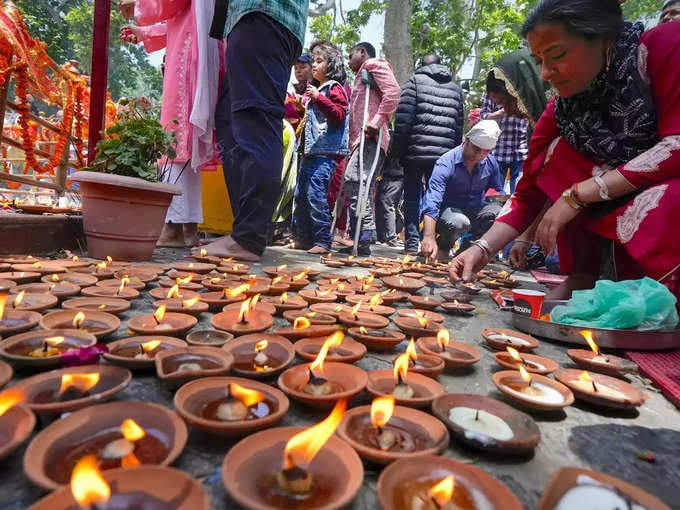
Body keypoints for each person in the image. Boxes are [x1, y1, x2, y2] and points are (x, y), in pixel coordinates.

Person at [449, 0, 680, 301]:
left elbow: (675, 145)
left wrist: (578, 195)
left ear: (604, 38)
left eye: (557, 55)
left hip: (662, 200)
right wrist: (482, 248)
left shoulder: (664, 45)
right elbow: (528, 192)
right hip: (610, 209)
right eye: (539, 61)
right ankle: (584, 274)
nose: (546, 73)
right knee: (556, 154)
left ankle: (657, 288)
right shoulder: (560, 109)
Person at [198, 1, 310, 261]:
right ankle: (245, 230)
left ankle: (248, 237)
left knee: (255, 120)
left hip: (262, 15)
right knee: (231, 121)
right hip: (263, 21)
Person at [121, 0, 223, 248]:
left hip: (189, 59)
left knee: (176, 139)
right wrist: (144, 32)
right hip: (198, 52)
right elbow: (182, 22)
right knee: (187, 142)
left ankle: (175, 226)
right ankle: (188, 227)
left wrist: (137, 6)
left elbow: (167, 4)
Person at [392, 54, 465, 255]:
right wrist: (454, 156)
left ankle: (412, 243)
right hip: (443, 155)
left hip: (414, 153)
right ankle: (438, 244)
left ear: (421, 66)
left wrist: (397, 152)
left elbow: (403, 122)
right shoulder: (456, 89)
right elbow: (459, 126)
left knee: (412, 198)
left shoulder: (414, 82)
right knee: (438, 197)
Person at [338, 42, 400, 256]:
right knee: (356, 185)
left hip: (370, 138)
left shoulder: (373, 64)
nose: (348, 61)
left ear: (362, 53)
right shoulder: (361, 73)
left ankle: (363, 239)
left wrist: (377, 120)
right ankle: (359, 238)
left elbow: (393, 91)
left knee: (358, 182)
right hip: (361, 141)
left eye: (350, 55)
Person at [290, 41, 349, 254]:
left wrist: (319, 98)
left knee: (316, 195)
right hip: (310, 152)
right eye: (313, 61)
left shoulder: (334, 88)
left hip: (325, 153)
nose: (314, 66)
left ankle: (323, 240)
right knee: (301, 195)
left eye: (319, 61)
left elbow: (339, 115)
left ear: (331, 64)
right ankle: (304, 238)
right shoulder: (318, 89)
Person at [420, 120, 504, 263]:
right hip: (448, 215)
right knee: (459, 222)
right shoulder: (446, 162)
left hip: (475, 210)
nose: (480, 156)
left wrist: (500, 197)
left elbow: (498, 192)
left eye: (486, 152)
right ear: (467, 140)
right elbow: (432, 200)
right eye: (477, 149)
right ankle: (443, 246)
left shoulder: (490, 162)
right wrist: (429, 236)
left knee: (498, 212)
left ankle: (468, 248)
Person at [375, 142, 404, 247]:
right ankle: (383, 237)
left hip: (395, 174)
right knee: (382, 203)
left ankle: (390, 238)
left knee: (387, 204)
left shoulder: (396, 140)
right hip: (390, 174)